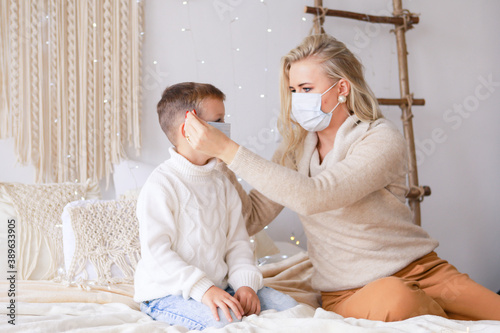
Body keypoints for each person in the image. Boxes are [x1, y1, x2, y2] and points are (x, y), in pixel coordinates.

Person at [183, 34, 500, 322]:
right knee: (399, 300)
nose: (297, 99)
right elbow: (250, 218)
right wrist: (218, 158)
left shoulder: (380, 138)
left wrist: (230, 151)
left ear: (342, 88)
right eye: (294, 90)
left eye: (306, 89)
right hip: (350, 290)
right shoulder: (295, 149)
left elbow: (316, 195)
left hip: (425, 270)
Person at [133, 82, 297, 331]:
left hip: (219, 287)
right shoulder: (161, 185)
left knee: (292, 310)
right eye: (218, 119)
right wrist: (203, 289)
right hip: (167, 293)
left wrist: (245, 285)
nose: (225, 128)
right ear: (190, 128)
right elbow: (158, 255)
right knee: (226, 323)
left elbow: (238, 244)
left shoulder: (221, 181)